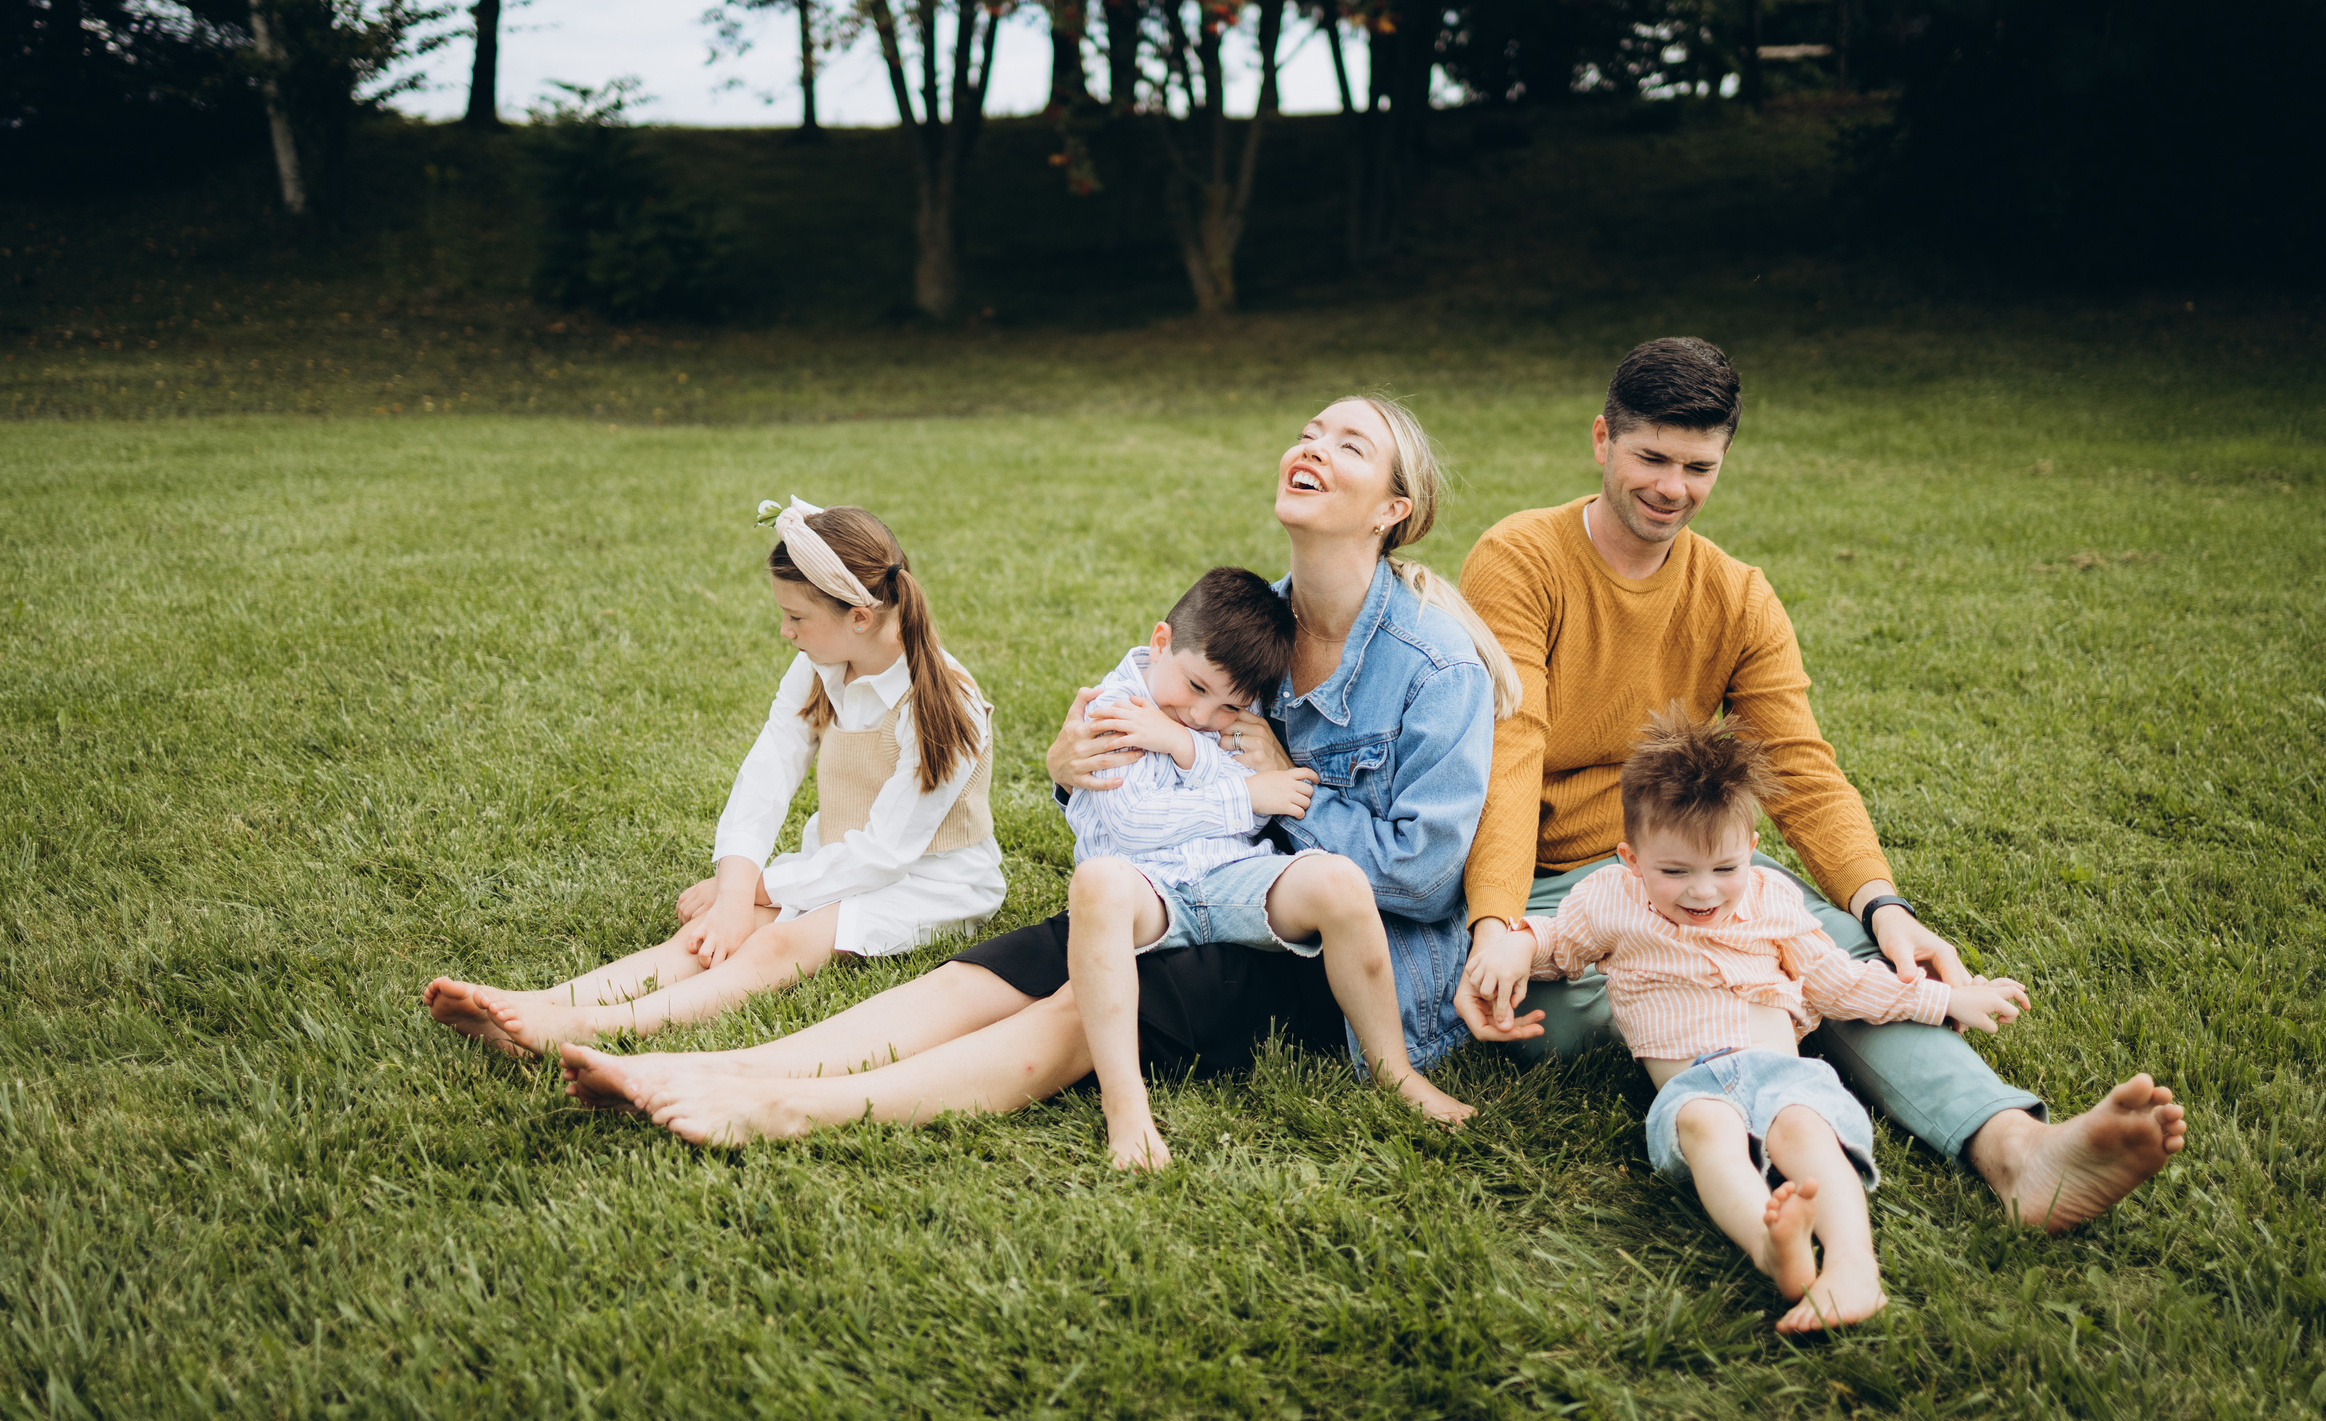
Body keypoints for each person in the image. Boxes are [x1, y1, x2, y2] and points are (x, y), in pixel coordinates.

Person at [554, 395, 1518, 1144]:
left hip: (1327, 952)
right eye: (1309, 431)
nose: (1312, 446)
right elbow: (1147, 750)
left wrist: (1272, 790)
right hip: (1184, 881)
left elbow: (1423, 873)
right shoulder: (1248, 616)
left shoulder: (1435, 665)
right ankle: (725, 1066)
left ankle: (783, 1108)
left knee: (1079, 1007)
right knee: (989, 974)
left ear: (1393, 510)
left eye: (1349, 445)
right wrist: (1071, 765)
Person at [1451, 337, 2187, 1230]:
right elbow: (1508, 746)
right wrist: (1496, 925)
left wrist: (1884, 905)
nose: (1672, 487)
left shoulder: (1737, 593)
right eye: (1651, 457)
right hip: (1558, 885)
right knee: (1580, 1017)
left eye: (1698, 466)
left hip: (1699, 864)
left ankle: (2018, 1151)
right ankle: (1749, 1106)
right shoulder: (1522, 557)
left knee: (1842, 958)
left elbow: (1799, 764)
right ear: (1603, 440)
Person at [1501, 709, 2032, 1330]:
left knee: (1808, 1132)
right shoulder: (1608, 901)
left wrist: (1943, 1000)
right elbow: (1559, 945)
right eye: (1675, 872)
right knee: (1706, 1132)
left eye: (1725, 869)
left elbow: (1837, 981)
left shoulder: (1773, 902)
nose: (1703, 891)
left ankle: (1854, 1266)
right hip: (1693, 1087)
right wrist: (1514, 945)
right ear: (1631, 858)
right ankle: (1769, 1243)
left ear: (1751, 851)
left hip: (1783, 1073)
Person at [422, 499, 1001, 1056]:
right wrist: (733, 893)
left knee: (779, 943)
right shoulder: (820, 667)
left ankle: (587, 1028)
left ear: (859, 616)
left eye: (797, 617)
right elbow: (765, 778)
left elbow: (885, 855)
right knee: (712, 929)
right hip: (841, 863)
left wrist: (755, 889)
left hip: (930, 882)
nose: (786, 631)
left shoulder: (944, 702)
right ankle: (544, 1004)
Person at [1065, 566, 1476, 1169]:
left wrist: (1196, 756)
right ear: (1160, 641)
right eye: (1195, 687)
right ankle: (1126, 1110)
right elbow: (1132, 823)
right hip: (1147, 889)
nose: (1202, 715)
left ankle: (1396, 1072)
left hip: (1230, 877)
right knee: (1096, 884)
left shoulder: (1228, 712)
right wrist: (1233, 789)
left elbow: (1256, 806)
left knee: (1339, 880)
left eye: (1228, 706)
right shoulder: (1115, 708)